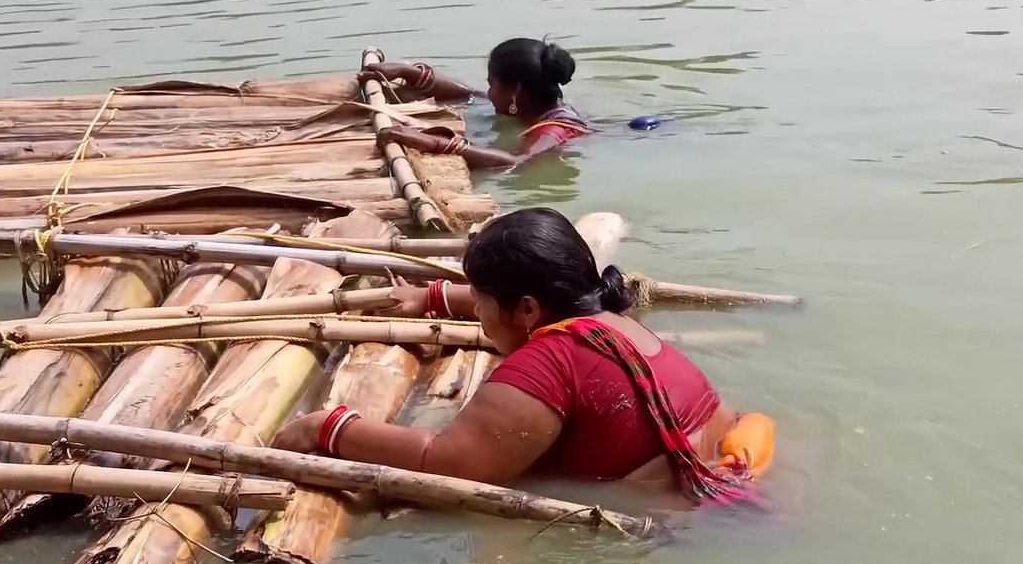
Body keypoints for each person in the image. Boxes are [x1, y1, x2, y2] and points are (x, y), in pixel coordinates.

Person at [269, 207, 774, 506]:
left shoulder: (547, 364)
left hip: (687, 521)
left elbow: (449, 465)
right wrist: (433, 298)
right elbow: (524, 308)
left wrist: (329, 428)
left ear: (527, 308)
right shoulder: (617, 322)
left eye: (482, 300)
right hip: (729, 490)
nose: (481, 311)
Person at [357, 38, 593, 170]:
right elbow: (468, 94)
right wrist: (408, 72)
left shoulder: (552, 130)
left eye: (491, 84)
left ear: (516, 91)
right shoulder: (535, 106)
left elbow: (520, 161)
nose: (488, 92)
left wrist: (436, 143)